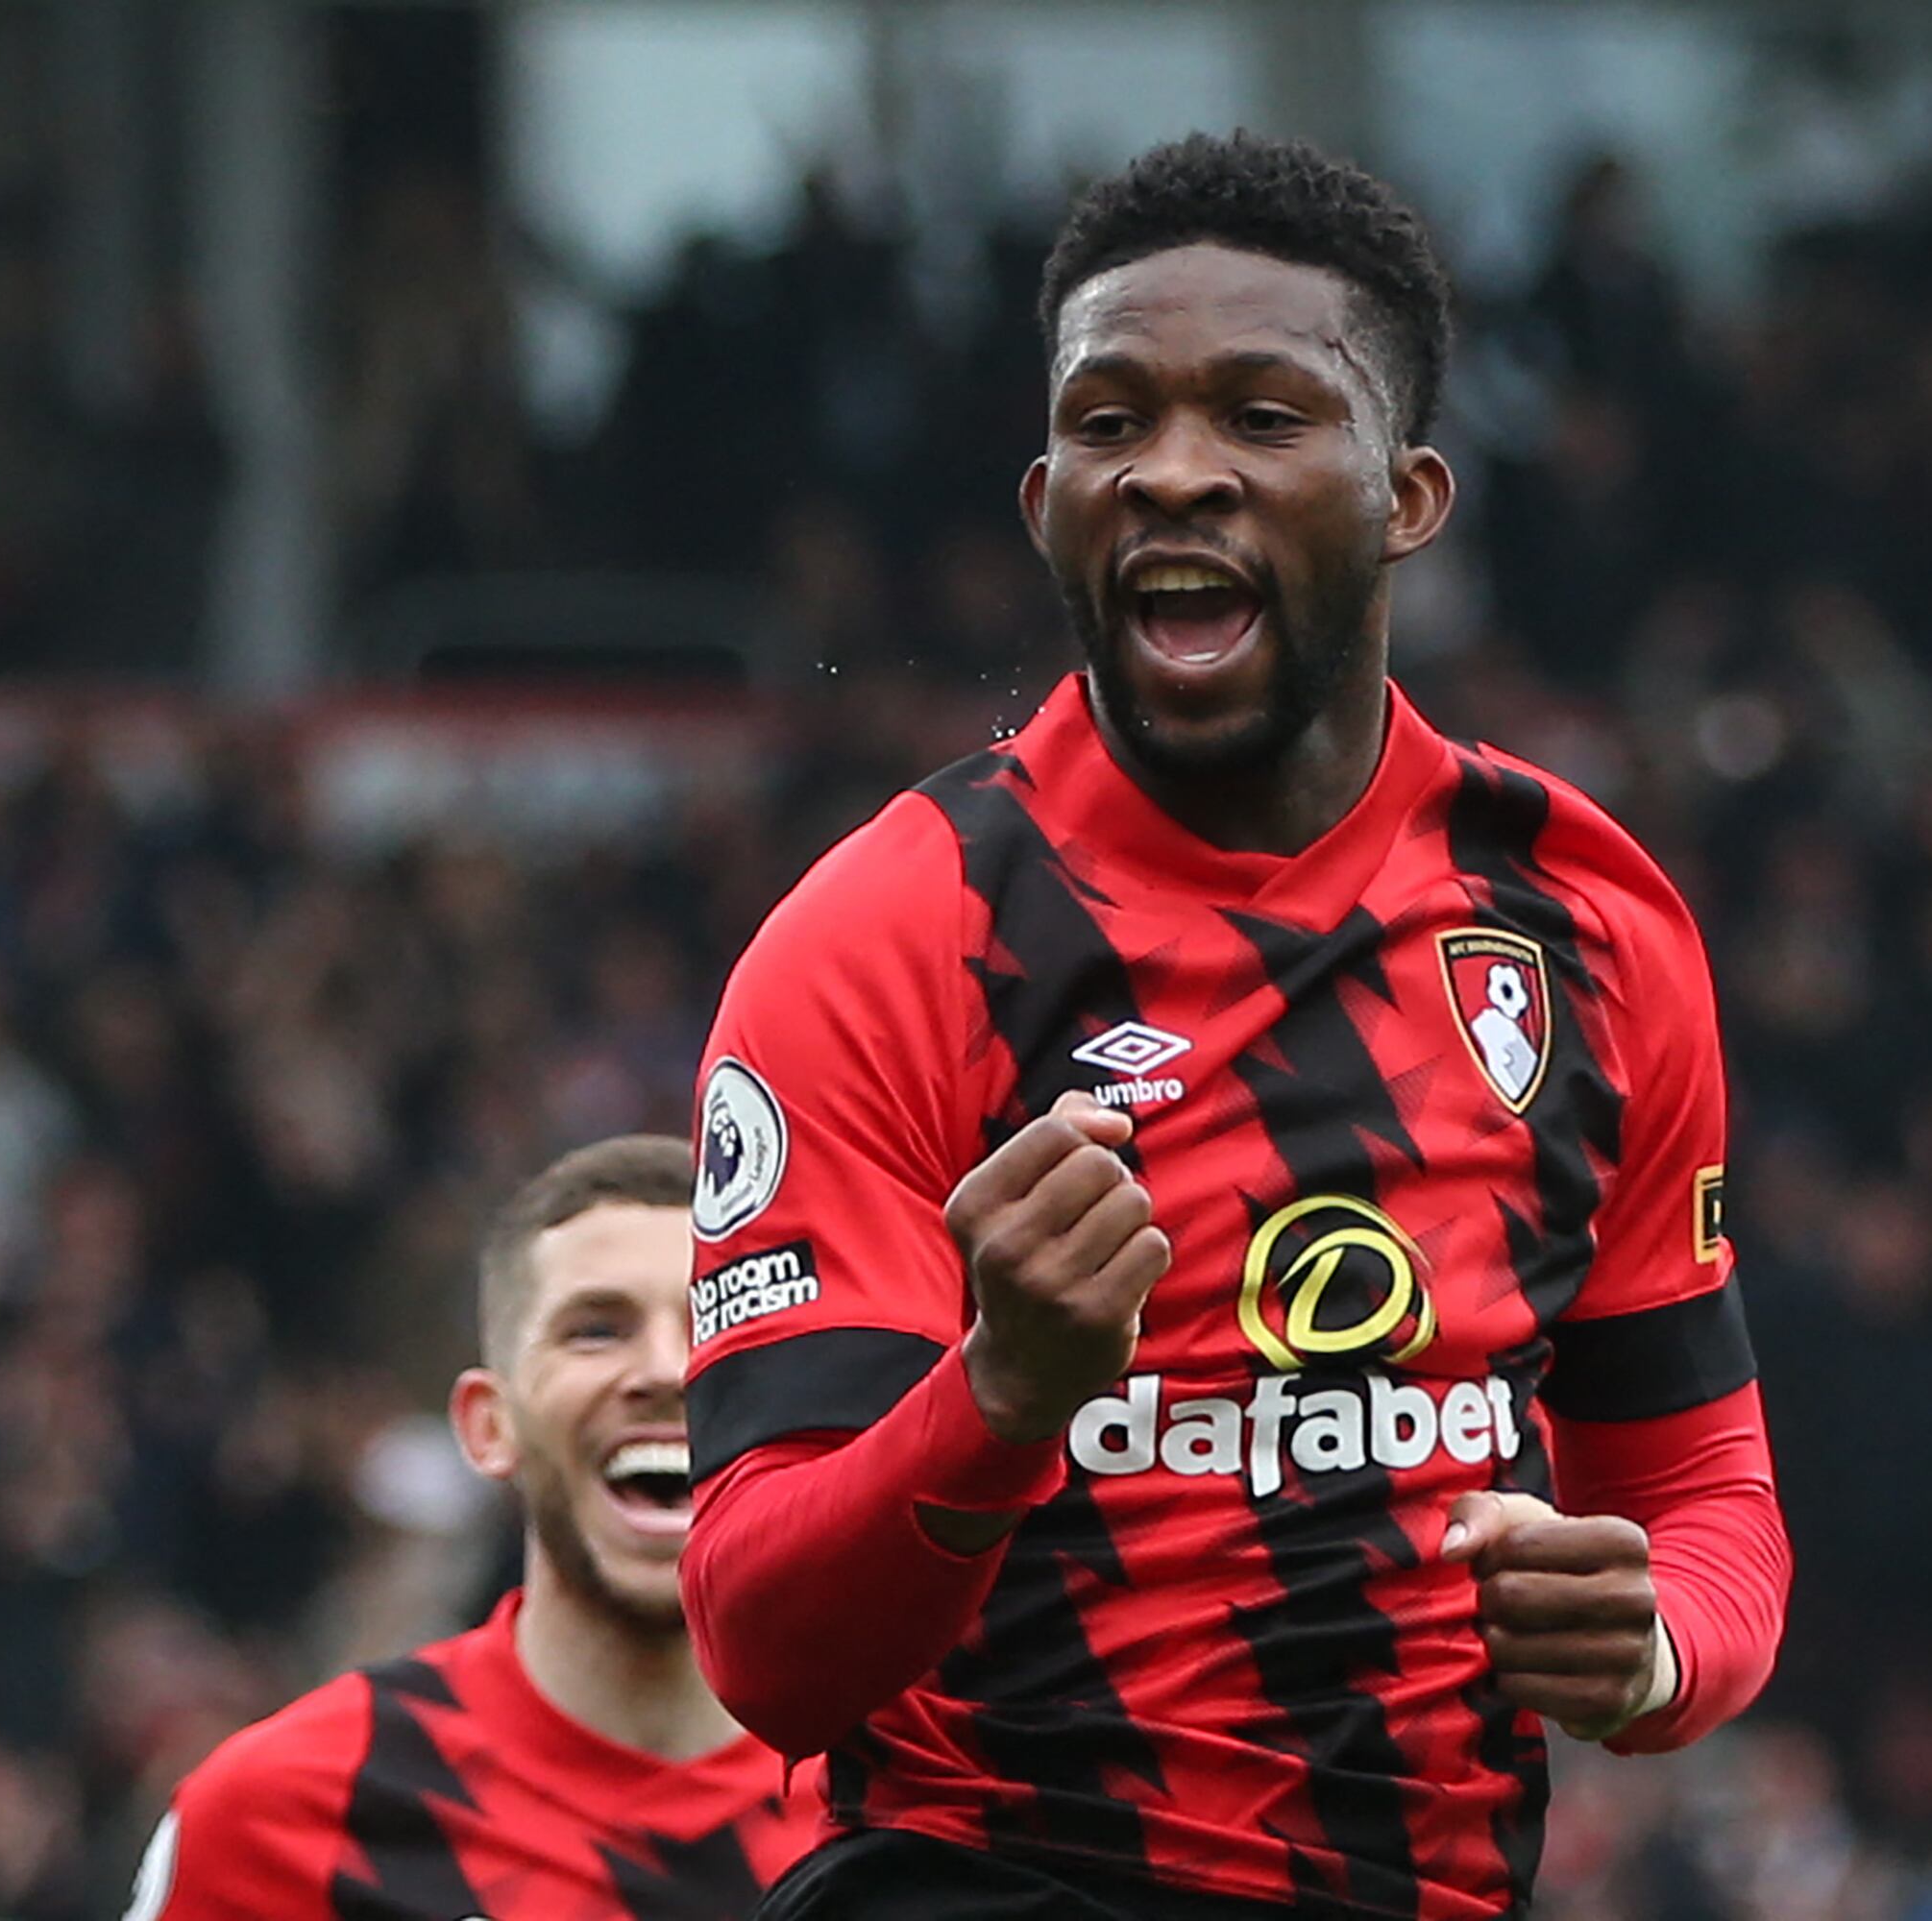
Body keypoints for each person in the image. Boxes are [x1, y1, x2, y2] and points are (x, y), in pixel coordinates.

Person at [681, 131, 1790, 1920]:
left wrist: (1658, 1648)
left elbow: (1702, 1482)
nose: (1174, 474)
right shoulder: (889, 940)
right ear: (1045, 499)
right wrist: (1000, 1398)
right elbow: (761, 1646)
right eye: (1111, 423)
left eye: (1263, 417)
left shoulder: (1586, 921)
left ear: (1410, 493)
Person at [128, 1134, 816, 1920]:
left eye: (711, 1326)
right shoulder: (287, 1817)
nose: (665, 1370)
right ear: (489, 1426)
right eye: (597, 1329)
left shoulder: (917, 1795)